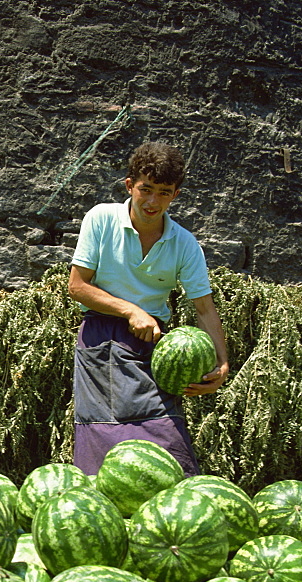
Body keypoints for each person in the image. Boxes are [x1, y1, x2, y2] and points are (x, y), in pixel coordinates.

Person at [67, 141, 228, 476]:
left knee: (168, 441)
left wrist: (222, 364)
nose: (153, 202)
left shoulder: (184, 243)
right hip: (101, 339)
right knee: (103, 438)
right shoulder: (101, 219)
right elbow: (78, 287)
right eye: (146, 190)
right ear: (130, 186)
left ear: (176, 194)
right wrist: (130, 310)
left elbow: (204, 308)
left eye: (164, 192)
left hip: (155, 346)